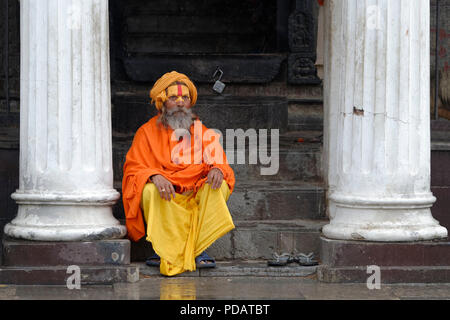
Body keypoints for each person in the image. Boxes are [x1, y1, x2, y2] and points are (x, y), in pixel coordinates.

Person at [122, 71, 235, 276]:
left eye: (185, 98)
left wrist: (217, 169)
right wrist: (154, 176)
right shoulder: (146, 133)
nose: (181, 102)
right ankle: (163, 247)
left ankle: (197, 249)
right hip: (168, 195)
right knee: (147, 191)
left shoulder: (203, 132)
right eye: (174, 97)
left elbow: (220, 162)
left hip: (194, 192)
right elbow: (133, 169)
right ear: (162, 103)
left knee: (220, 185)